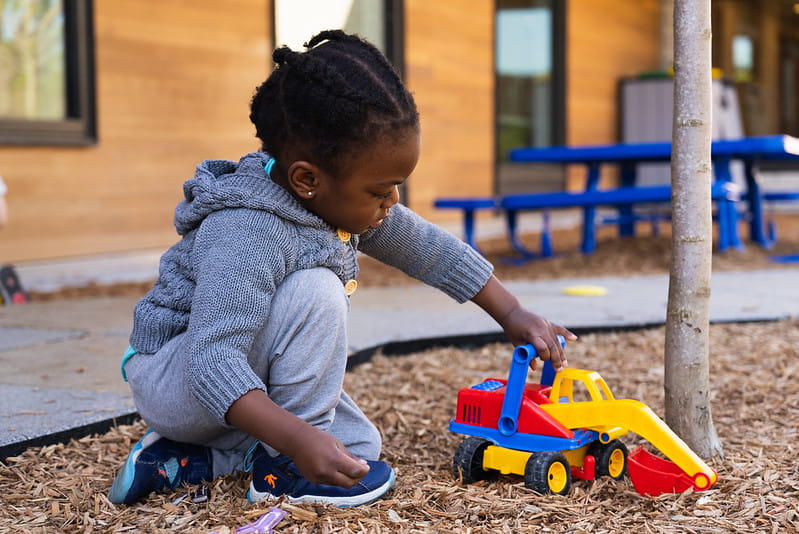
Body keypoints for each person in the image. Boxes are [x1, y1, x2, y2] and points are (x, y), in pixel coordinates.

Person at [109, 30, 576, 507]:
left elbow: (429, 249)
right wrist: (296, 440)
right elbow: (213, 360)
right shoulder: (246, 231)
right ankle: (281, 470)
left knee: (356, 449)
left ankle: (187, 460)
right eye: (381, 191)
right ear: (307, 179)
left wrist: (511, 312)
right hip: (177, 377)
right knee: (316, 291)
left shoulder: (333, 203)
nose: (392, 202)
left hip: (221, 376)